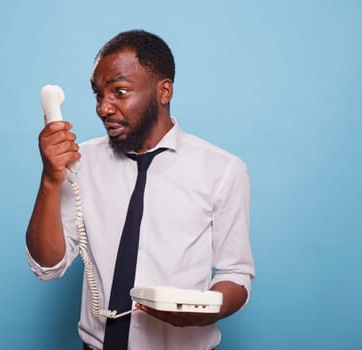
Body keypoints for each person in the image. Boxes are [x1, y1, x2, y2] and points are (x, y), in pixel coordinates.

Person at [26, 30, 255, 350]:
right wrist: (51, 179)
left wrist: (205, 312)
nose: (103, 108)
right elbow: (47, 267)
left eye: (119, 92)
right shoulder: (81, 162)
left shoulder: (223, 169)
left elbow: (236, 271)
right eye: (98, 94)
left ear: (164, 92)